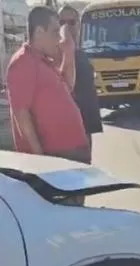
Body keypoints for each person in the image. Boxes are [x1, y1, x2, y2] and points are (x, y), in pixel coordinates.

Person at [7, 7, 90, 166]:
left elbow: (69, 86)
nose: (59, 38)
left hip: (70, 153)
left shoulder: (44, 62)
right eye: (55, 32)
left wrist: (69, 52)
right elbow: (21, 114)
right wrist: (41, 159)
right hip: (55, 158)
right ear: (39, 32)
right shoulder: (23, 63)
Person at [58, 6, 102, 164]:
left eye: (71, 22)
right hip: (68, 128)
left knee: (85, 170)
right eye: (61, 22)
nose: (66, 27)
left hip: (85, 125)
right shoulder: (56, 55)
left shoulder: (82, 53)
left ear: (78, 25)